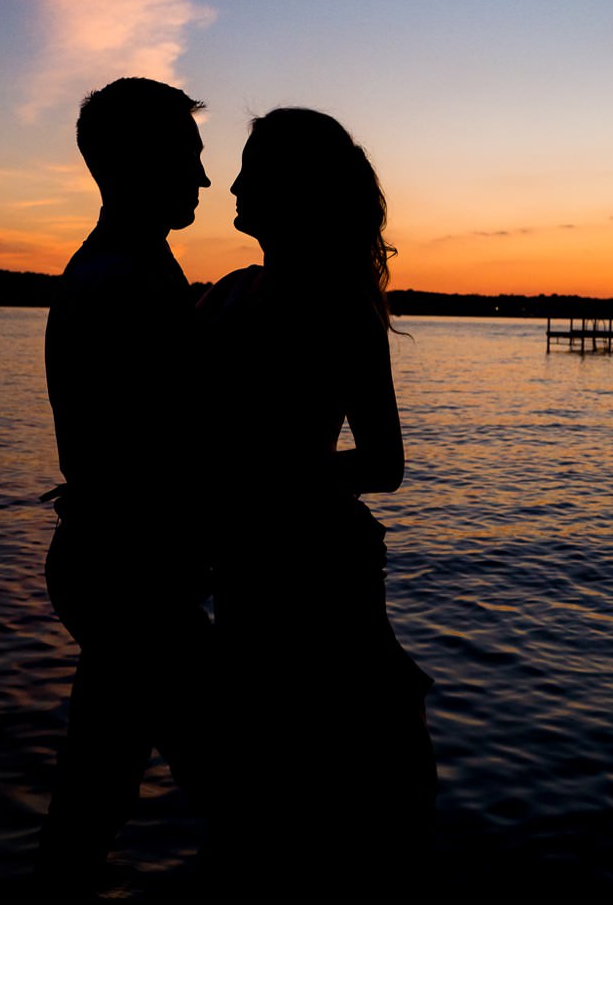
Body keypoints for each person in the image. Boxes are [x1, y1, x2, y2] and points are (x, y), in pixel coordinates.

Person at [197, 107, 435, 899]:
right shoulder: (227, 293)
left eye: (251, 169)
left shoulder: (341, 308)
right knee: (258, 791)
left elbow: (385, 463)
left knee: (341, 781)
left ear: (294, 189)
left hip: (320, 572)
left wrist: (280, 478)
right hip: (245, 568)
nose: (231, 184)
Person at [38, 76, 214, 893]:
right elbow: (168, 450)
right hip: (131, 576)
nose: (204, 181)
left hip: (115, 566)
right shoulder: (124, 284)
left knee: (94, 794)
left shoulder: (130, 269)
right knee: (239, 791)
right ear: (142, 163)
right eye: (190, 157)